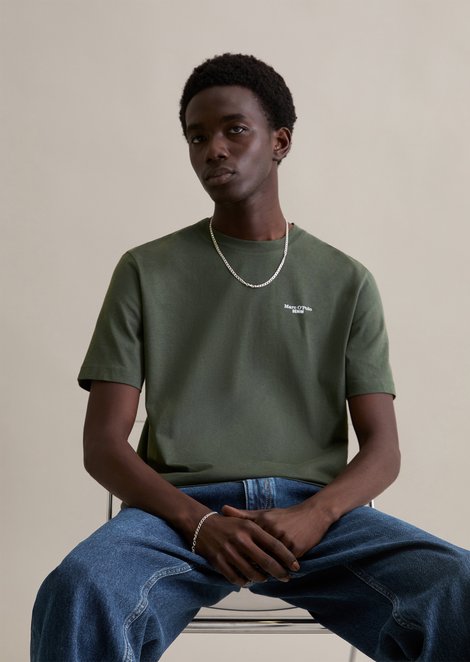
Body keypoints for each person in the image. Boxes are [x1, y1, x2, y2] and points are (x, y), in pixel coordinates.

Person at [31, 53, 470, 662]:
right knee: (80, 589)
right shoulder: (145, 271)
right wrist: (199, 524)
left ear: (280, 141)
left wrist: (315, 515)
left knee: (458, 587)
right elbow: (103, 444)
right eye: (197, 136)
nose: (214, 149)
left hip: (315, 519)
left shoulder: (346, 281)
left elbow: (383, 449)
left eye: (234, 129)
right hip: (175, 518)